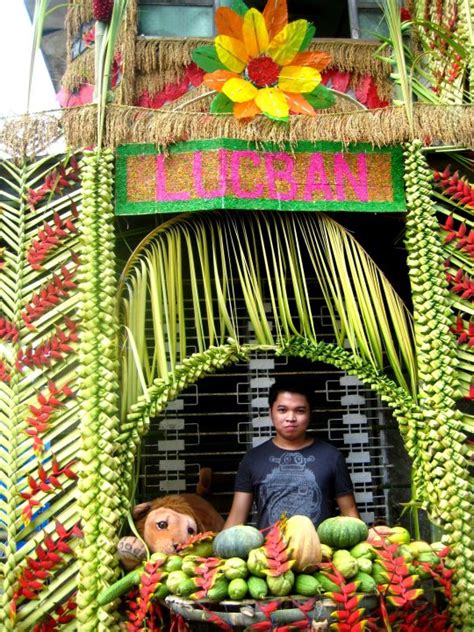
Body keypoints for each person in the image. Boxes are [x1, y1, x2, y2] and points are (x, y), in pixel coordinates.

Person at [224, 379, 360, 530]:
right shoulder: (253, 458)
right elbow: (236, 518)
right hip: (269, 552)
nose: (291, 418)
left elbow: (350, 513)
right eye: (282, 410)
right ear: (271, 412)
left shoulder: (332, 457)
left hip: (321, 551)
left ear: (310, 414)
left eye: (300, 411)